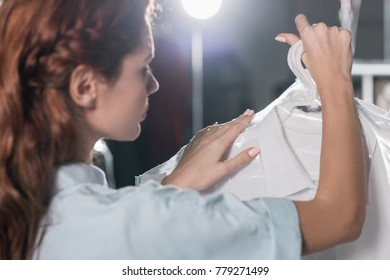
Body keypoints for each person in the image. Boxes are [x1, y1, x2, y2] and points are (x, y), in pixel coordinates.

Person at [0, 0, 364, 259]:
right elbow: (338, 217)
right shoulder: (138, 224)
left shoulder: (28, 206)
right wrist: (334, 81)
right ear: (84, 87)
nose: (155, 85)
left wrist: (172, 187)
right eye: (143, 68)